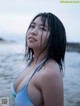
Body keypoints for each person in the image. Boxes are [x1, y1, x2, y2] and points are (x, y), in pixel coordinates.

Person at [11, 12, 67, 106]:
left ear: (54, 38)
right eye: (32, 26)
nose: (33, 31)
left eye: (43, 29)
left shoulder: (50, 73)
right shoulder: (32, 62)